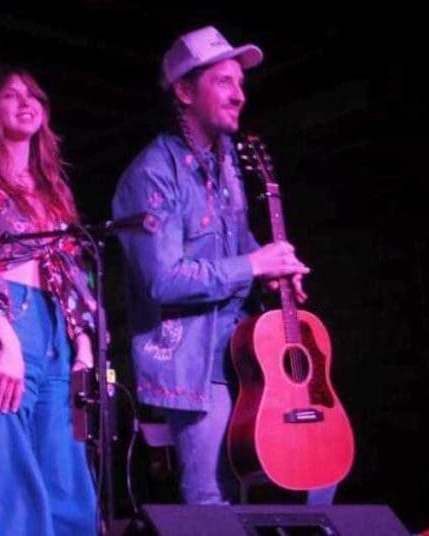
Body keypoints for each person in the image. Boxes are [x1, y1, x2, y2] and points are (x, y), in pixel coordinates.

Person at [111, 25, 337, 506]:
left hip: (246, 349)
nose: (239, 95)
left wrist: (273, 266)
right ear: (184, 92)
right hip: (194, 363)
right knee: (213, 497)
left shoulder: (228, 159)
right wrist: (252, 265)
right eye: (223, 82)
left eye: (241, 83)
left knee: (314, 473)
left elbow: (235, 238)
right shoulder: (151, 173)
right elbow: (161, 280)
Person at [0, 66, 98, 536]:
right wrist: (5, 339)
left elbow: (73, 269)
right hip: (4, 320)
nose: (26, 103)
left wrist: (83, 343)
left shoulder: (54, 190)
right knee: (8, 478)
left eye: (33, 95)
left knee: (66, 473)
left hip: (57, 328)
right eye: (11, 95)